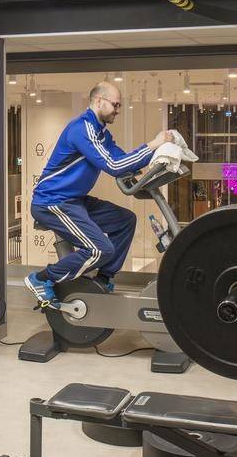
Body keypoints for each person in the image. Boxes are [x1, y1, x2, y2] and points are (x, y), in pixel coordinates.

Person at [25, 81, 171, 306]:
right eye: (115, 104)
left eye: (119, 105)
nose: (118, 110)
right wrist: (153, 144)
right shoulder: (82, 129)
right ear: (99, 101)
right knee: (99, 249)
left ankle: (103, 279)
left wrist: (159, 157)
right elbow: (114, 166)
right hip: (52, 202)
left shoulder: (101, 133)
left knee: (125, 220)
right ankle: (41, 279)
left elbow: (122, 160)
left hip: (75, 200)